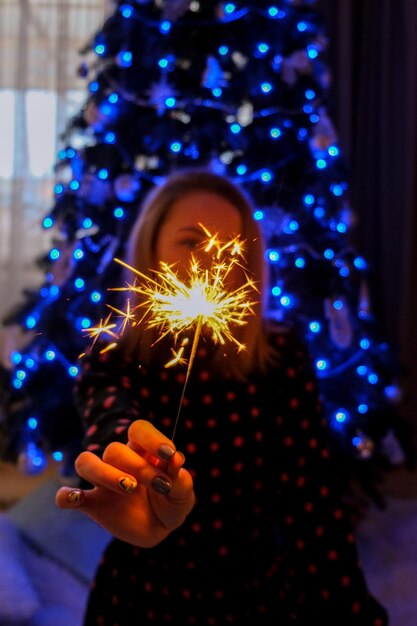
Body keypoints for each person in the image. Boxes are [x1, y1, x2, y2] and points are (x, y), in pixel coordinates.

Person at [56, 168, 388, 625]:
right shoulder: (111, 356)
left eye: (227, 251)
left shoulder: (280, 355)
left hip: (256, 593)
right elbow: (111, 419)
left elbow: (311, 499)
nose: (210, 265)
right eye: (192, 241)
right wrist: (128, 469)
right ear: (150, 249)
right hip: (143, 595)